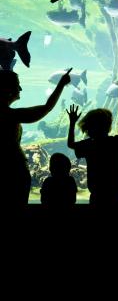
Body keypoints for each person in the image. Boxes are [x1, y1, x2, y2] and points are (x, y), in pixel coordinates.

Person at [0, 68, 71, 207]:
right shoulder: (9, 115)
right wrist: (61, 84)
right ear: (6, 89)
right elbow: (47, 108)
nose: (20, 88)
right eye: (17, 84)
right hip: (12, 173)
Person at [66, 101, 118, 207]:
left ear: (89, 128)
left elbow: (71, 144)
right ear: (108, 126)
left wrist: (72, 123)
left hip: (97, 193)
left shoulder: (89, 145)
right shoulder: (117, 142)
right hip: (115, 192)